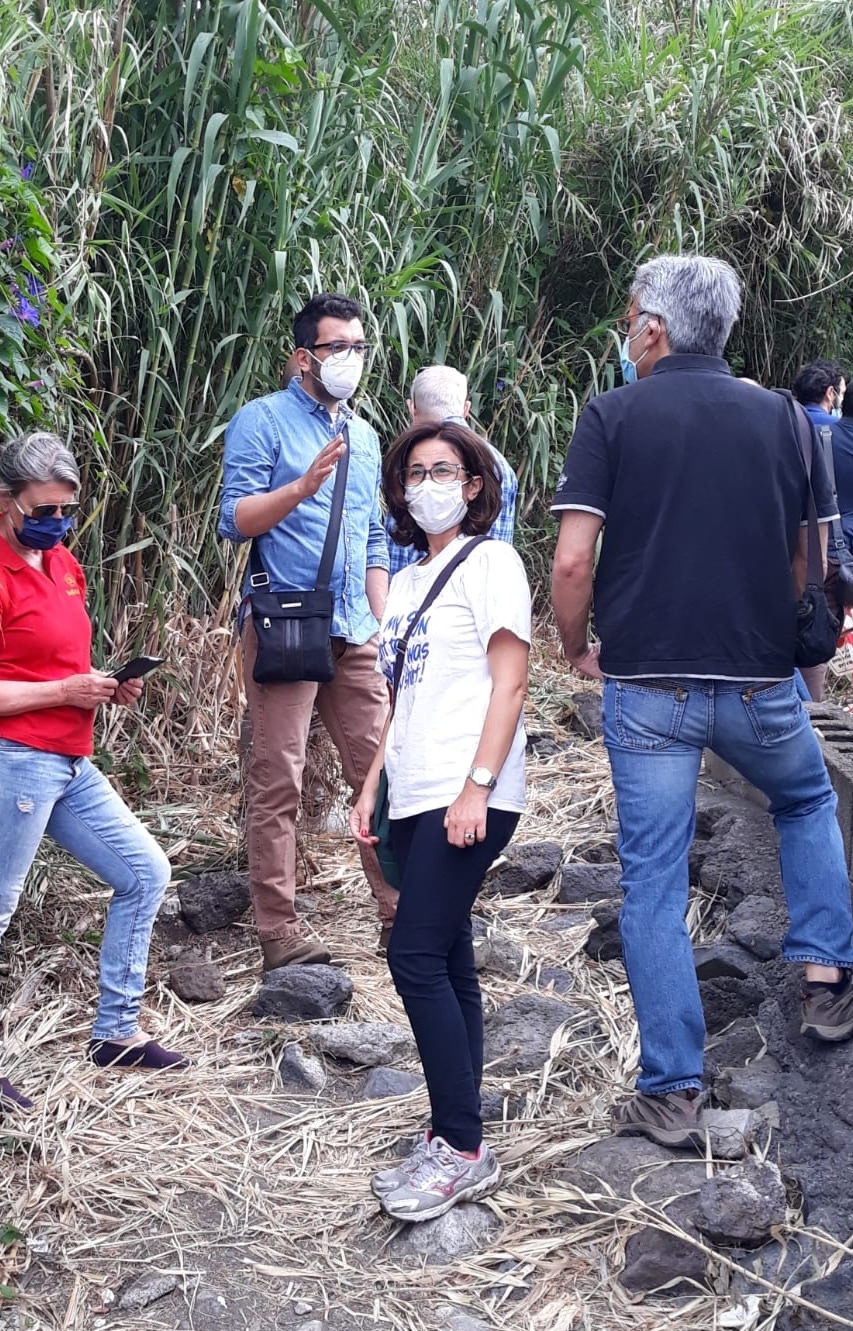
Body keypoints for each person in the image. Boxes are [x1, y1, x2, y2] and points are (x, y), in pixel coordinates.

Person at [551, 254, 853, 1150]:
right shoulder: (786, 420)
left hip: (645, 686)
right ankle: (825, 981)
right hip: (758, 682)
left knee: (652, 875)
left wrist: (574, 646)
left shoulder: (611, 415)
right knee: (804, 798)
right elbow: (811, 557)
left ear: (653, 328)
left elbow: (572, 561)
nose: (626, 331)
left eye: (629, 317)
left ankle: (671, 1090)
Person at [0, 432, 188, 1110]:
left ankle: (116, 1032)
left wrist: (103, 684)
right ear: (4, 500)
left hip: (66, 755)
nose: (55, 522)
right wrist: (66, 691)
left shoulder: (61, 564)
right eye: (42, 510)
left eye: (65, 510)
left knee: (145, 872)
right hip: (9, 758)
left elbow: (49, 663)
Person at [351, 420, 530, 1220]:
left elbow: (511, 682)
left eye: (442, 470)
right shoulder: (407, 582)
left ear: (473, 484)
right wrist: (370, 784)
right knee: (448, 957)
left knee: (413, 954)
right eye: (413, 472)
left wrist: (476, 787)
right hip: (414, 790)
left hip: (468, 790)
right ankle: (451, 1128)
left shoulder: (491, 562)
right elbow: (399, 698)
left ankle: (460, 1145)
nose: (426, 484)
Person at [219, 293, 396, 969]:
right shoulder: (262, 420)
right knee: (278, 779)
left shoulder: (366, 436)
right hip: (286, 622)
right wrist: (300, 488)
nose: (351, 358)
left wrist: (382, 622)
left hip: (355, 628)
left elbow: (373, 533)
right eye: (337, 347)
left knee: (380, 774)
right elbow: (234, 520)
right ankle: (279, 932)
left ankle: (399, 914)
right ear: (303, 357)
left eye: (359, 347)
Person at [386, 366, 518, 579]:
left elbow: (395, 546)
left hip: (402, 591)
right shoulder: (498, 465)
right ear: (466, 409)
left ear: (412, 408)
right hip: (479, 586)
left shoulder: (403, 459)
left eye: (442, 471)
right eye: (418, 473)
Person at [793, 359, 850, 700]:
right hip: (833, 552)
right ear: (830, 393)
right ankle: (814, 707)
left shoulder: (784, 427)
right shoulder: (838, 431)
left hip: (789, 549)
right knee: (816, 632)